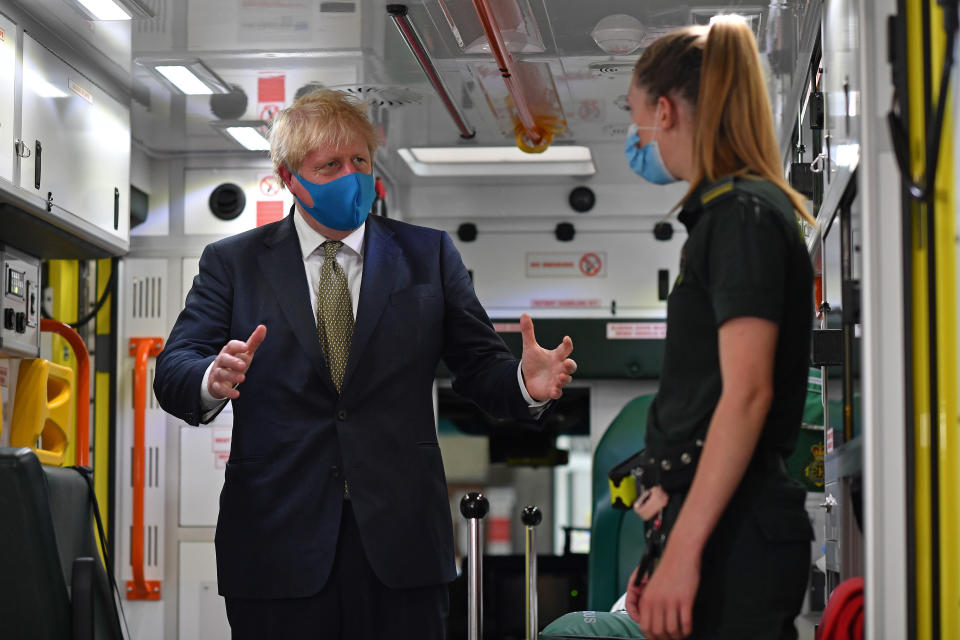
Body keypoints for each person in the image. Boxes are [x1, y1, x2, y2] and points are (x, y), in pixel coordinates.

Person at [153, 89, 577, 640]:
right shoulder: (233, 263)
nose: (350, 176)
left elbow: (479, 367)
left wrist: (526, 384)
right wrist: (212, 377)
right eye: (330, 165)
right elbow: (174, 368)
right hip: (276, 543)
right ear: (288, 177)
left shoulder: (429, 256)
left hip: (402, 545)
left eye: (360, 162)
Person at [621, 17, 816, 640]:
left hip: (735, 536)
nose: (638, 136)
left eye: (636, 116)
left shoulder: (742, 218)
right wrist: (666, 542)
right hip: (716, 528)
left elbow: (748, 393)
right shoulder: (725, 218)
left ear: (667, 111)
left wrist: (683, 551)